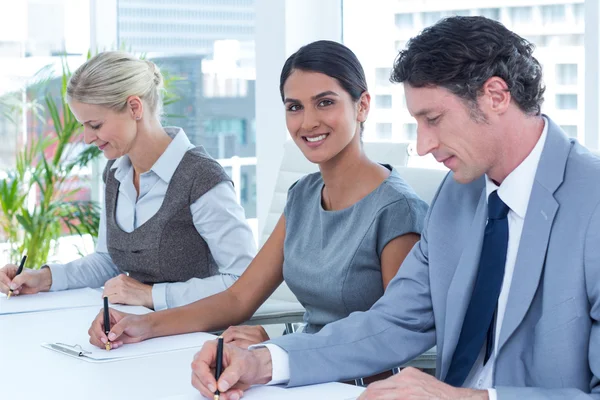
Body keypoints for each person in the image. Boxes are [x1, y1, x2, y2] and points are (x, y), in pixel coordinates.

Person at [189, 16, 600, 400]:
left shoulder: (592, 203)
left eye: (433, 119)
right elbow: (394, 321)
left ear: (495, 95)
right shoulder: (458, 196)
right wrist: (264, 361)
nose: (422, 145)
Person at [86, 41, 428, 353]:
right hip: (299, 373)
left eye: (325, 102)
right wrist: (142, 325)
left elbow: (391, 338)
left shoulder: (397, 211)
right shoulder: (303, 196)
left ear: (362, 106)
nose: (308, 122)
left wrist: (281, 349)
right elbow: (238, 297)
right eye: (294, 107)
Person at [0, 51, 256, 311]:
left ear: (134, 108)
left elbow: (244, 281)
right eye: (83, 126)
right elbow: (109, 260)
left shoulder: (202, 179)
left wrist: (150, 295)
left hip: (197, 336)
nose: (88, 138)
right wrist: (43, 278)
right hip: (135, 330)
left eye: (96, 125)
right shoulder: (116, 173)